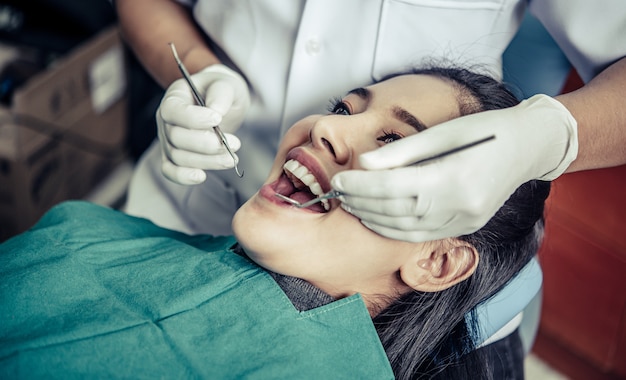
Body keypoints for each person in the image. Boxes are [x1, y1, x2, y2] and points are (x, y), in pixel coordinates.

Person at [1, 67, 548, 379]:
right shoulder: (103, 236)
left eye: (394, 143)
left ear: (437, 259)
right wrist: (196, 64)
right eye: (343, 108)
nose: (327, 130)